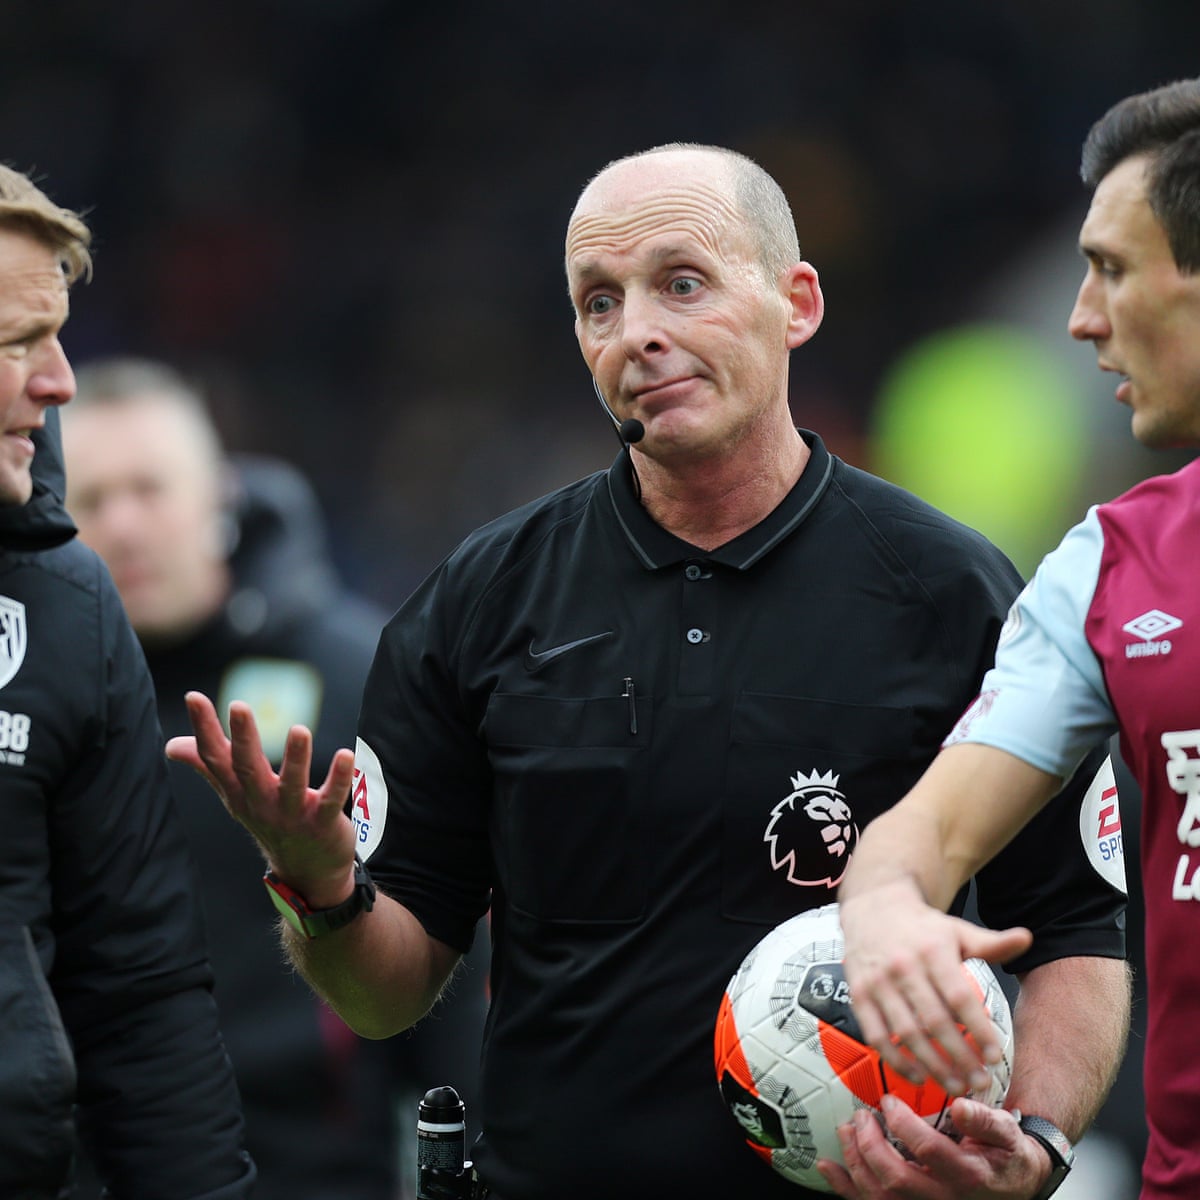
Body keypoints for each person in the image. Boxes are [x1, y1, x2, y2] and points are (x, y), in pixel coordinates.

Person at [166, 143, 1129, 1200]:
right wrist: (318, 883)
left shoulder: (955, 593)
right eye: (599, 302)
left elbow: (1078, 929)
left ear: (796, 303)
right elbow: (384, 997)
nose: (637, 332)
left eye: (682, 283)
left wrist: (1035, 1143)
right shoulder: (480, 601)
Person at [835, 78, 1200, 1200]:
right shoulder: (1103, 570)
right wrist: (888, 913)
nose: (1081, 319)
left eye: (1113, 268)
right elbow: (925, 835)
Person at [59, 357, 489, 1200]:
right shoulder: (38, 692)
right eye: (94, 499)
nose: (125, 525)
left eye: (150, 489)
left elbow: (450, 948)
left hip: (311, 1164)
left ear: (220, 498)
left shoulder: (360, 675)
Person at [0, 166, 255, 1198]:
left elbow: (142, 998)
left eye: (57, 336)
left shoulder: (66, 607)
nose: (59, 382)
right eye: (19, 342)